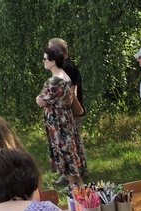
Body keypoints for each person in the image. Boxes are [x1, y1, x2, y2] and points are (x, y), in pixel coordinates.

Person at [36, 47, 87, 186]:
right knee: (70, 151)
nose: (43, 61)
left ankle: (75, 187)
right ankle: (76, 185)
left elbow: (42, 101)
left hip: (58, 122)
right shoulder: (65, 76)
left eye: (45, 59)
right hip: (66, 118)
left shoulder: (54, 81)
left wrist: (40, 99)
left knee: (66, 152)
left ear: (52, 62)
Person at [48, 37, 85, 185]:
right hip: (68, 113)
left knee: (71, 146)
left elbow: (71, 93)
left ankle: (76, 179)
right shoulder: (65, 67)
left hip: (71, 114)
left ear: (58, 52)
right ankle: (70, 176)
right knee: (69, 145)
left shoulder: (67, 68)